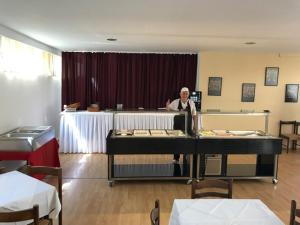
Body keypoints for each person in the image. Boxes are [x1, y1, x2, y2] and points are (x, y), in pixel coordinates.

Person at [166, 87, 197, 163]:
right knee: (177, 142)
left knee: (187, 142)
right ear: (180, 94)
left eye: (186, 93)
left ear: (188, 94)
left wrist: (195, 126)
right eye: (183, 93)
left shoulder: (191, 103)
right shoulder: (175, 102)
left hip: (188, 126)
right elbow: (169, 109)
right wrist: (167, 106)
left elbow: (194, 115)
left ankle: (186, 157)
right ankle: (176, 158)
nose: (185, 95)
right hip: (177, 126)